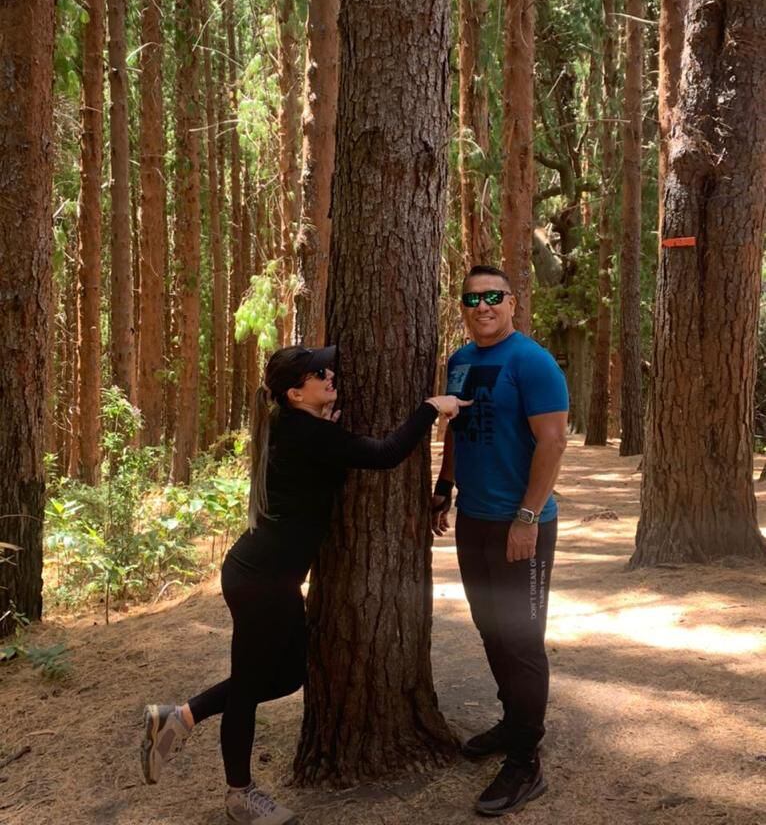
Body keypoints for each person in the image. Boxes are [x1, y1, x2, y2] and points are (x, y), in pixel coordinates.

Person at [141, 344, 468, 825]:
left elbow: (321, 467)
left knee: (290, 675)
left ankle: (180, 717)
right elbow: (387, 454)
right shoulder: (307, 433)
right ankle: (238, 795)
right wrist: (430, 408)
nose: (330, 374)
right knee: (249, 686)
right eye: (319, 373)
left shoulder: (297, 427)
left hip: (270, 576)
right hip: (261, 580)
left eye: (327, 368)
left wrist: (326, 427)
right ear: (295, 393)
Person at [432, 265, 568, 817]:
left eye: (493, 297)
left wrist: (527, 517)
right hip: (474, 519)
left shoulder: (532, 362)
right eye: (472, 299)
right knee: (490, 629)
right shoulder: (460, 361)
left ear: (512, 302)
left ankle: (525, 760)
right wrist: (443, 487)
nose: (482, 307)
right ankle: (514, 722)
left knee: (522, 639)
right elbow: (458, 429)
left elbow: (553, 442)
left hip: (522, 524)